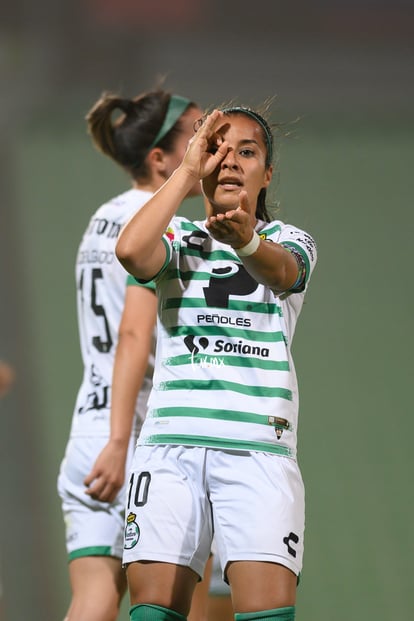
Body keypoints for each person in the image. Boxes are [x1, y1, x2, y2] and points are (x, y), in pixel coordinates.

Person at [116, 104, 317, 621]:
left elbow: (282, 272)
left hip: (259, 453)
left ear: (267, 173)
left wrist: (246, 239)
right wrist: (184, 172)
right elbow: (132, 252)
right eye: (216, 150)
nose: (229, 162)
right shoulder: (178, 240)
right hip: (169, 451)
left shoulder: (289, 240)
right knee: (153, 612)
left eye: (246, 152)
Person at [57, 87, 211, 621]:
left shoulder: (102, 218)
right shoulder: (160, 225)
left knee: (93, 600)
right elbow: (133, 336)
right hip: (140, 440)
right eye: (196, 132)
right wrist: (123, 441)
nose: (208, 142)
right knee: (174, 605)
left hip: (88, 429)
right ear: (160, 159)